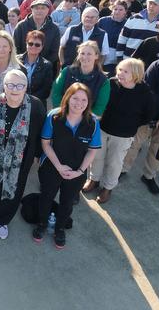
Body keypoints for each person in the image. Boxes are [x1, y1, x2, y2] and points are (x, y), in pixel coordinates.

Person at [0, 70, 46, 239]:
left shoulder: (35, 106)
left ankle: (3, 218)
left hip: (19, 160)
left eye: (20, 85)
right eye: (10, 85)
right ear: (4, 86)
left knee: (13, 187)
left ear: (26, 87)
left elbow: (41, 133)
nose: (15, 89)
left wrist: (37, 153)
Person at [34, 83, 101, 249]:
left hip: (76, 172)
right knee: (46, 196)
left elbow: (92, 151)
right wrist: (58, 166)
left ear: (88, 102)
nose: (79, 103)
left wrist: (79, 171)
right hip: (52, 166)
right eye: (75, 98)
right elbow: (46, 143)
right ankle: (42, 224)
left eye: (84, 100)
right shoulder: (54, 116)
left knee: (67, 201)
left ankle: (60, 228)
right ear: (67, 98)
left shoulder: (93, 122)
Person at [82, 58, 155, 203]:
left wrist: (131, 124)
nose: (120, 73)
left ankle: (107, 188)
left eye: (125, 71)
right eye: (120, 70)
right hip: (102, 129)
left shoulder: (145, 93)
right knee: (96, 157)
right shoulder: (110, 83)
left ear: (135, 74)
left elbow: (148, 115)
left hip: (123, 135)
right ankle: (94, 180)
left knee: (115, 163)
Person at [121, 36, 159, 193]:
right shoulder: (158, 65)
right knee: (134, 144)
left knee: (158, 150)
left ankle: (148, 176)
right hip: (148, 116)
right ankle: (123, 169)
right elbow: (148, 90)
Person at [52, 41, 110, 116]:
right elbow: (56, 93)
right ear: (78, 55)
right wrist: (63, 112)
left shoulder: (104, 81)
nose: (85, 57)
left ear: (96, 56)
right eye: (82, 53)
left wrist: (81, 119)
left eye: (89, 54)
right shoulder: (66, 71)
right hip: (63, 115)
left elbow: (99, 108)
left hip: (87, 121)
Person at [13, 0, 60, 69]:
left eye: (43, 8)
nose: (39, 11)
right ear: (32, 9)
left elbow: (55, 51)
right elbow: (15, 47)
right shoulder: (21, 26)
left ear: (48, 10)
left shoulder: (54, 28)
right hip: (21, 65)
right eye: (37, 8)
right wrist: (22, 63)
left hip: (45, 68)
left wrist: (43, 65)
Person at [18, 30, 54, 103]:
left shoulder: (47, 65)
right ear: (26, 44)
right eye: (30, 43)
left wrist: (28, 100)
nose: (33, 46)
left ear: (42, 46)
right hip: (16, 101)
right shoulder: (16, 61)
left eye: (37, 45)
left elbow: (46, 91)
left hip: (37, 104)